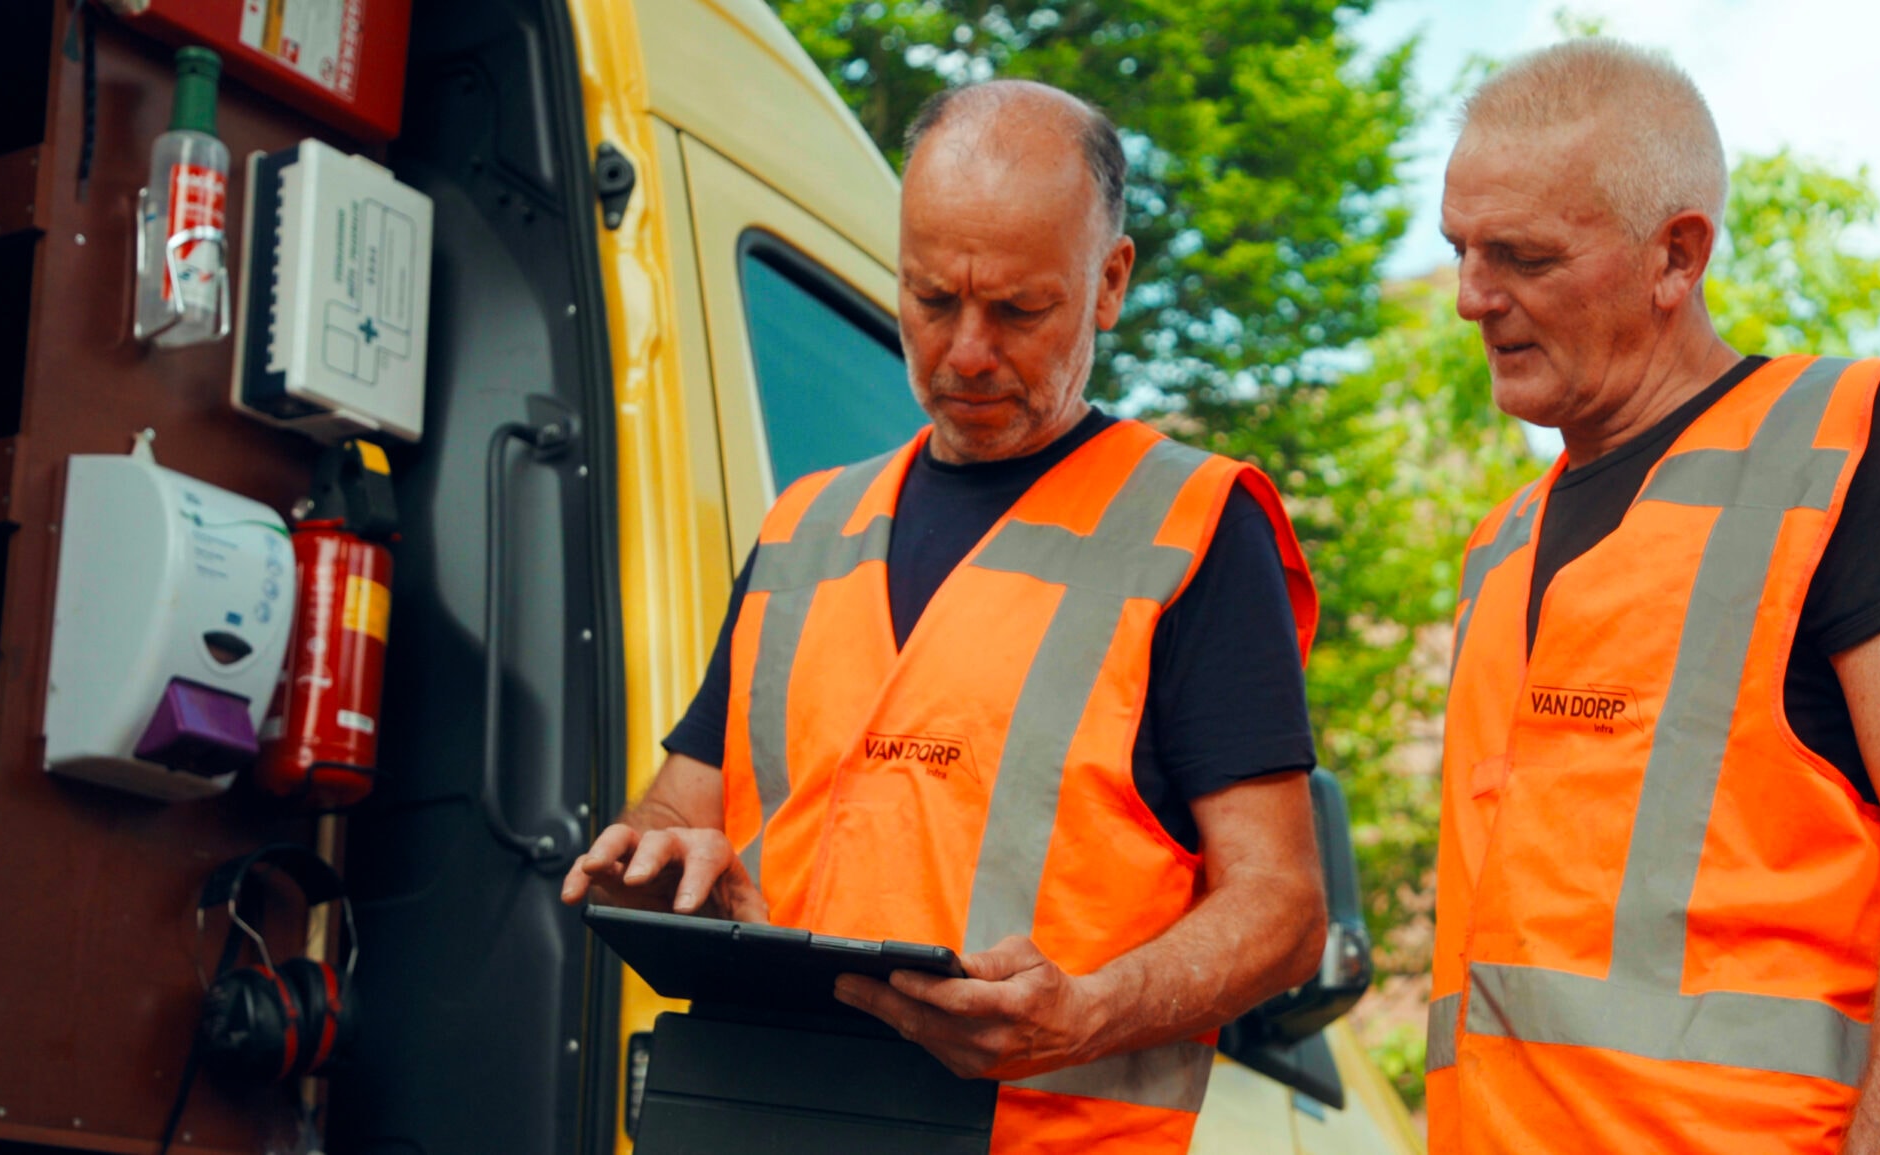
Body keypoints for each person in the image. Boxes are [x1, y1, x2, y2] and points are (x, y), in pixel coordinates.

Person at [558, 80, 1329, 1153]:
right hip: (751, 1121)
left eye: (1017, 310)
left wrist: (1087, 1012)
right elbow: (682, 814)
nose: (965, 351)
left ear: (1109, 284)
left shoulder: (1192, 527)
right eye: (930, 300)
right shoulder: (804, 528)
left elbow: (1284, 909)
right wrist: (646, 866)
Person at [1423, 40, 1880, 1154]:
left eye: (1521, 256)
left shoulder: (1853, 448)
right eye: (1462, 250)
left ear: (1677, 255)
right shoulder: (1499, 547)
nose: (1474, 298)